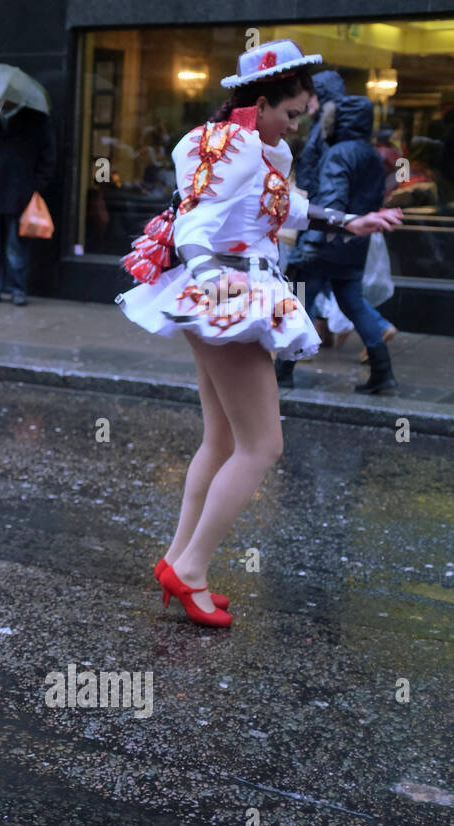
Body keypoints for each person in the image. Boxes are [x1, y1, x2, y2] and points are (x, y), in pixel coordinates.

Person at [115, 40, 401, 627]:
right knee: (262, 446)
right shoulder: (237, 145)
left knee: (222, 441)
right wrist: (209, 275)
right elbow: (196, 217)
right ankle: (190, 566)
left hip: (231, 293)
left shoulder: (265, 149)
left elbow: (287, 210)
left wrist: (348, 219)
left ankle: (178, 560)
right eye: (292, 114)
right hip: (232, 295)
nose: (296, 126)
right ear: (263, 102)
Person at [283, 90, 399, 393]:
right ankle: (383, 373)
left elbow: (332, 203)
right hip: (353, 244)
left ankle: (282, 371)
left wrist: (309, 245)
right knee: (352, 303)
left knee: (300, 303)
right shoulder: (370, 153)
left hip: (325, 245)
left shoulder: (339, 152)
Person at [0, 98, 56, 305]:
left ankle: (18, 290)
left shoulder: (36, 122)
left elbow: (48, 158)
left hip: (18, 195)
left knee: (17, 247)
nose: (0, 100)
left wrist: (35, 187)